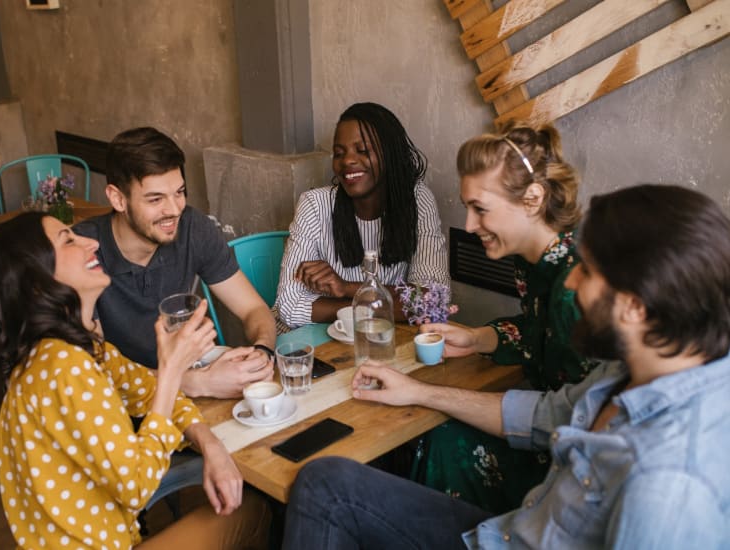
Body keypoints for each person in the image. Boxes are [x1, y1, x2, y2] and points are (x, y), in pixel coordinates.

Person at [282, 184, 730, 549]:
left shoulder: (669, 487)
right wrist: (418, 391)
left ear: (633, 306)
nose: (571, 280)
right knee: (326, 481)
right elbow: (542, 415)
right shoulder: (636, 370)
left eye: (588, 271)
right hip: (508, 532)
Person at [0, 212, 270, 549]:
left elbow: (148, 391)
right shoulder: (64, 366)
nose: (92, 243)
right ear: (38, 282)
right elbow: (136, 486)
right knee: (255, 510)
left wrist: (210, 445)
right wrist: (171, 367)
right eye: (68, 240)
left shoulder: (74, 350)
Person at [412, 124, 595, 513]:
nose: (468, 226)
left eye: (480, 209)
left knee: (438, 439)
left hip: (574, 471)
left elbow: (579, 418)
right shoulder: (534, 260)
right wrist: (478, 338)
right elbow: (536, 333)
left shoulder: (576, 287)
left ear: (533, 199)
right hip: (549, 429)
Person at [73, 127, 276, 399]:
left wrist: (262, 353)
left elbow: (253, 309)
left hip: (193, 389)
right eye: (156, 199)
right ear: (118, 198)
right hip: (122, 407)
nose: (173, 210)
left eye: (179, 192)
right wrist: (197, 383)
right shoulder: (83, 253)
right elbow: (94, 372)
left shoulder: (193, 227)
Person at [275, 102, 449, 328]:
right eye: (339, 153)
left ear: (390, 154)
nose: (347, 161)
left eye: (363, 151)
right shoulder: (315, 205)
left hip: (376, 340)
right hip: (309, 342)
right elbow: (289, 307)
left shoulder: (417, 201)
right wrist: (384, 306)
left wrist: (345, 288)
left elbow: (432, 302)